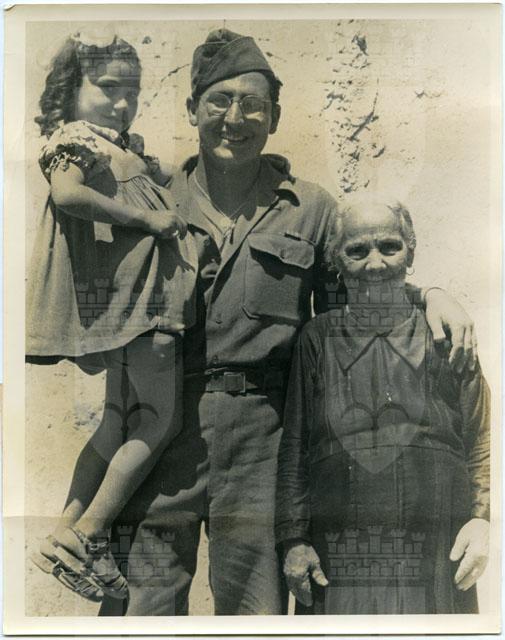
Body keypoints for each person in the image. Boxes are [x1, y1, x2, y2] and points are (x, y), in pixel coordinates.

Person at [98, 29, 479, 616]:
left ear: (274, 118)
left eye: (253, 105)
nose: (235, 119)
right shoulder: (152, 199)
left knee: (256, 611)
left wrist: (429, 294)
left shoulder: (311, 208)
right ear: (192, 108)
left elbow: (359, 290)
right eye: (219, 101)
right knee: (142, 606)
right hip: (160, 428)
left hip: (262, 438)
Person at [27, 33, 197, 601]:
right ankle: (92, 534)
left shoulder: (120, 147)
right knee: (160, 422)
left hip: (129, 308)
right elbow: (67, 195)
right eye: (107, 88)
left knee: (116, 421)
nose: (123, 103)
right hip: (144, 308)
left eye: (133, 91)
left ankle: (62, 533)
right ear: (70, 89)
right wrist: (145, 220)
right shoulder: (75, 141)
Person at [276, 195, 490, 614]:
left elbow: (482, 435)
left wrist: (482, 520)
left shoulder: (447, 332)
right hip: (339, 545)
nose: (375, 264)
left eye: (389, 247)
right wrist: (294, 540)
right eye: (357, 251)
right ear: (337, 262)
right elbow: (295, 447)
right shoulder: (317, 338)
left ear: (411, 252)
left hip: (437, 542)